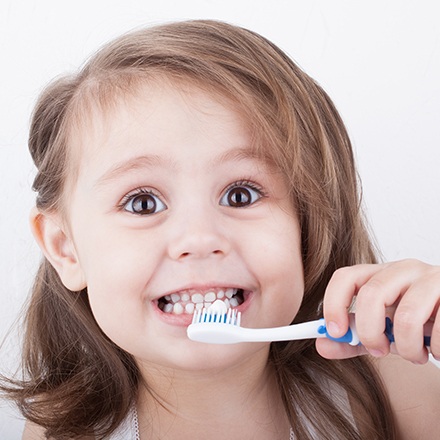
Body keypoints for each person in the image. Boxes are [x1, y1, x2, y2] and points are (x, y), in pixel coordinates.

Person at [1, 19, 439, 440]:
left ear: (307, 226)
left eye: (241, 195)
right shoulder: (66, 430)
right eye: (143, 203)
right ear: (66, 249)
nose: (200, 239)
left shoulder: (393, 384)